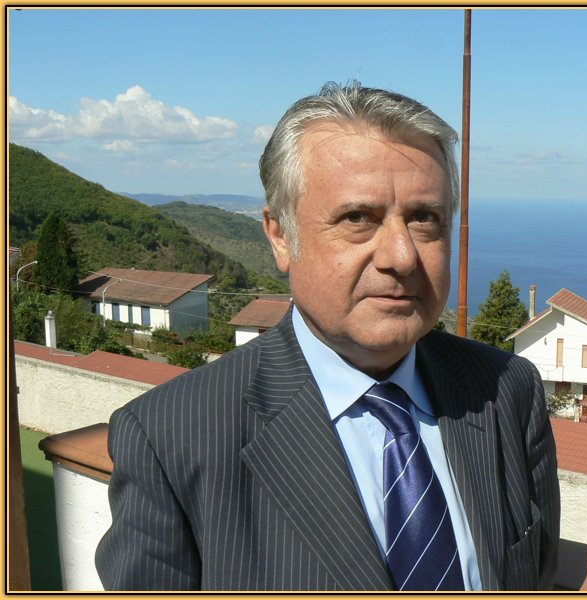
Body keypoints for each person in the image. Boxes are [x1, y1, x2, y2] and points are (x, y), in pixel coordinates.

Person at [95, 82, 560, 591]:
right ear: (280, 236)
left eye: (424, 218)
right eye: (358, 218)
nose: (402, 256)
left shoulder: (507, 389)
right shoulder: (171, 437)